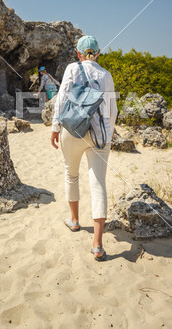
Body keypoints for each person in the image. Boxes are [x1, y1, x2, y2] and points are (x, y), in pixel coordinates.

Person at [50, 35, 118, 261]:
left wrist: (55, 127)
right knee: (98, 184)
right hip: (100, 134)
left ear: (79, 54)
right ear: (98, 53)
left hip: (73, 129)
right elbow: (112, 108)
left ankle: (75, 221)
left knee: (71, 175)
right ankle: (97, 244)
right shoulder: (106, 75)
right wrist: (109, 132)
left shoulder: (72, 68)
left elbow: (61, 99)